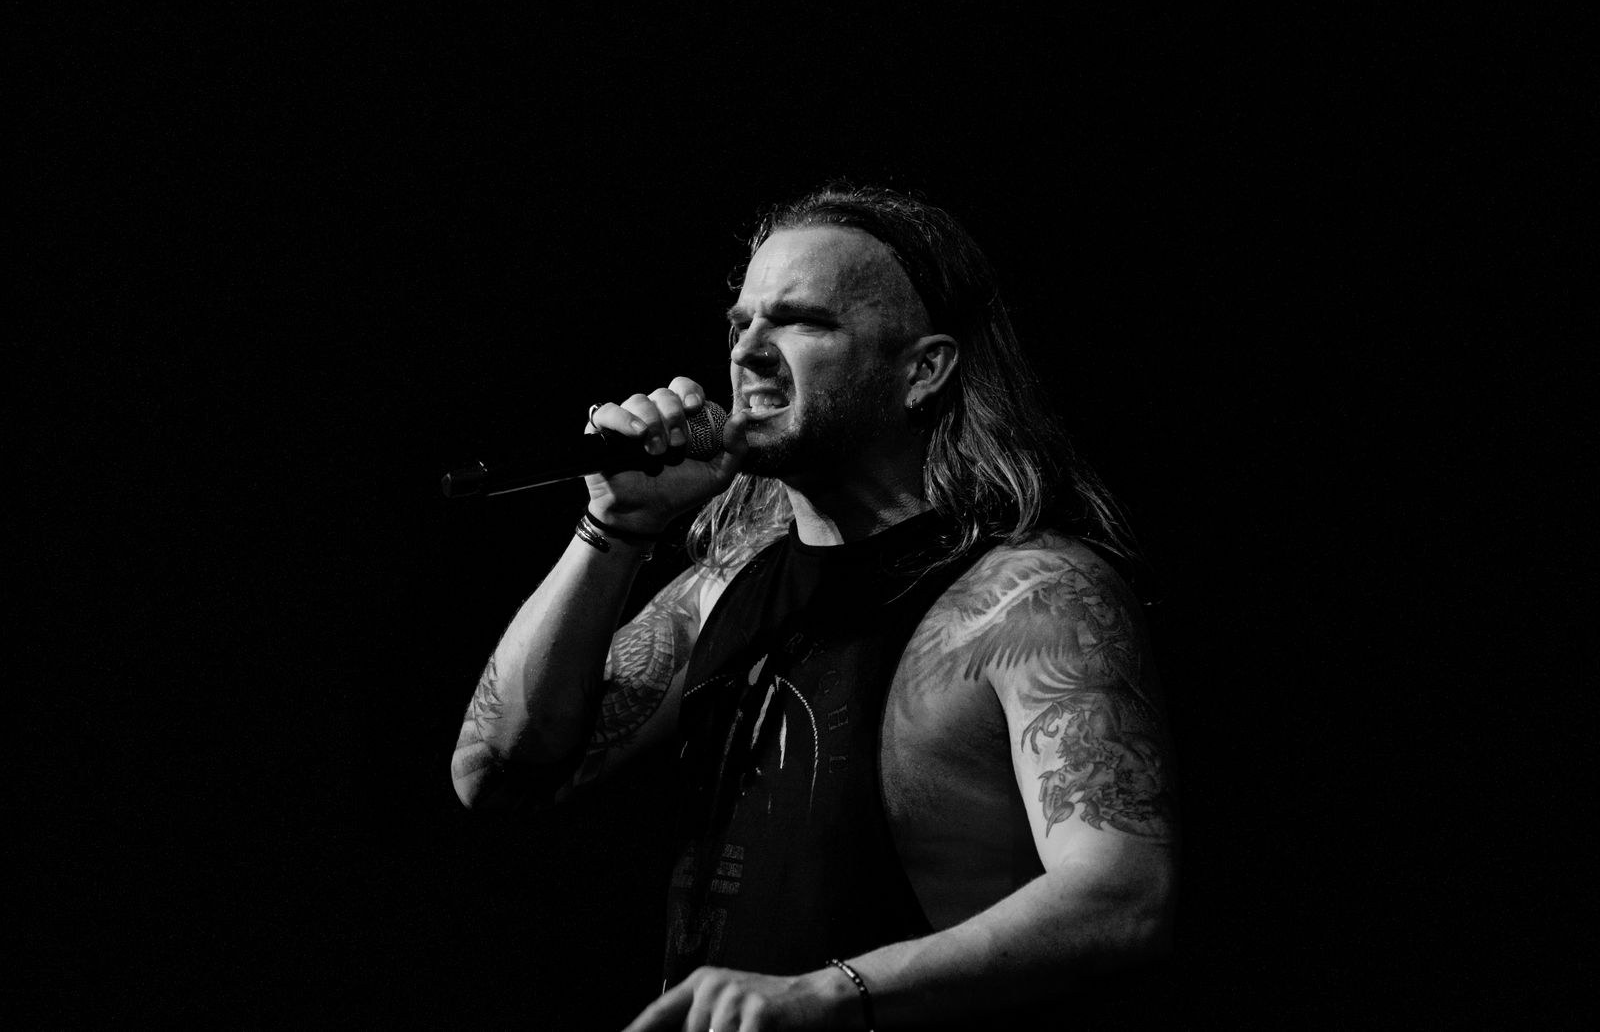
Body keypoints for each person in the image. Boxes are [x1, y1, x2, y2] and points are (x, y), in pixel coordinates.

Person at [450, 184, 1177, 1029]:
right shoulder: (726, 584)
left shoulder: (1031, 598)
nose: (748, 352)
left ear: (924, 370)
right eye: (740, 323)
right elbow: (495, 772)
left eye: (800, 322)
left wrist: (827, 992)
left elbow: (1123, 894)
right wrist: (614, 529)